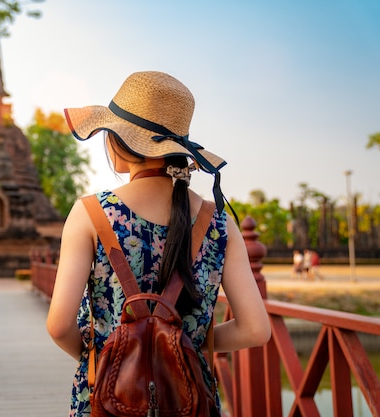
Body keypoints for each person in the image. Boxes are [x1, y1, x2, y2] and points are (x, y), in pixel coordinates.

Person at [46, 71, 271, 416]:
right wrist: (186, 346)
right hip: (187, 398)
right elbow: (256, 330)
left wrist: (110, 355)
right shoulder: (220, 222)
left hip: (107, 399)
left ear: (121, 141)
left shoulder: (89, 213)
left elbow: (59, 325)